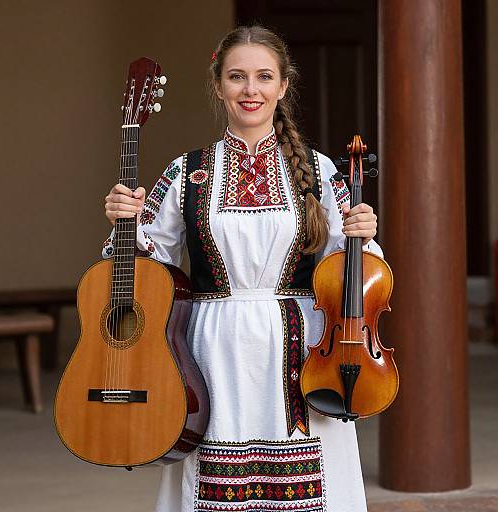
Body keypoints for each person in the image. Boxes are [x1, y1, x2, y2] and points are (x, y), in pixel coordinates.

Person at [103, 25, 380, 512]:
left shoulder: (320, 171)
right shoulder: (186, 172)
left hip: (302, 348)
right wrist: (127, 226)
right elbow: (146, 272)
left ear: (282, 86)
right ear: (218, 86)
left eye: (263, 77)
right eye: (237, 77)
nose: (250, 90)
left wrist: (361, 232)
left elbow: (358, 271)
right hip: (211, 348)